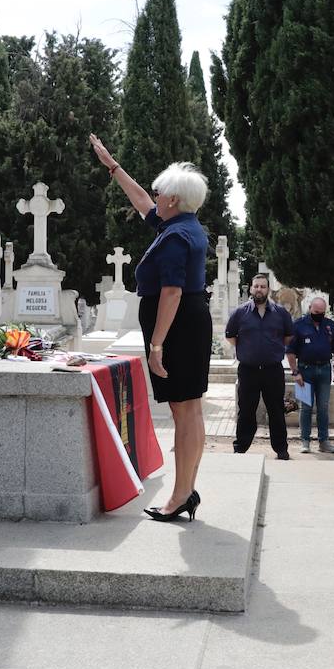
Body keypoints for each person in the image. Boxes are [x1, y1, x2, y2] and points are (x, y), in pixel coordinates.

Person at [90, 133, 209, 521]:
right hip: (187, 323)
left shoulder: (176, 237)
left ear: (172, 199)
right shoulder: (183, 224)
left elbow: (171, 294)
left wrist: (156, 346)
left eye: (161, 192)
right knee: (190, 409)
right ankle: (186, 490)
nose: (155, 196)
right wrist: (113, 166)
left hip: (178, 327)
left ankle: (178, 496)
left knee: (183, 410)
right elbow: (142, 200)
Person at [225, 274, 294, 459]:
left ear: (268, 289)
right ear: (251, 288)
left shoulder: (280, 313)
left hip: (273, 370)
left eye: (263, 287)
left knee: (276, 410)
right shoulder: (240, 313)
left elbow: (288, 337)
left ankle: (281, 449)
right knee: (246, 410)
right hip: (248, 371)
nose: (259, 290)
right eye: (256, 286)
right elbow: (231, 336)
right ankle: (240, 448)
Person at [286, 296, 334, 454]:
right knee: (305, 407)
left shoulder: (329, 325)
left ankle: (324, 441)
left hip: (324, 370)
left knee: (323, 407)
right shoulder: (298, 325)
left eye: (322, 312)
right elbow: (290, 352)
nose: (319, 314)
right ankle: (305, 441)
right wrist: (295, 372)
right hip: (304, 371)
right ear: (310, 308)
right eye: (316, 311)